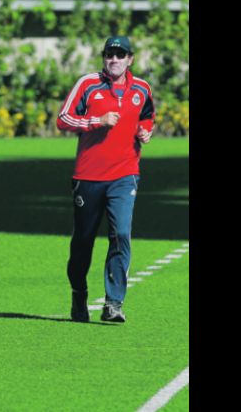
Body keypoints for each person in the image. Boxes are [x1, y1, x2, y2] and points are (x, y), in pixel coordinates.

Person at [56, 36, 155, 323]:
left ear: (130, 59)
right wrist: (95, 122)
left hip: (125, 175)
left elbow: (147, 116)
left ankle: (114, 304)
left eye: (120, 54)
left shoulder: (141, 88)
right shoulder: (88, 84)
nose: (114, 59)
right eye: (110, 54)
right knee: (83, 242)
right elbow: (63, 118)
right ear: (104, 58)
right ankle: (79, 292)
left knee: (121, 234)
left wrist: (145, 131)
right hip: (88, 176)